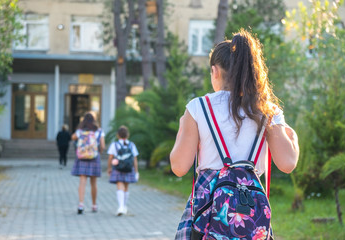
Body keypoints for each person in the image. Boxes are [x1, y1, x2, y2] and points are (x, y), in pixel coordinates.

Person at [170, 29, 299, 239]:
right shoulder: (267, 111)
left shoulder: (198, 108)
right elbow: (287, 163)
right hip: (248, 214)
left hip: (208, 211)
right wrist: (292, 138)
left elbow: (179, 167)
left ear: (215, 71)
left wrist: (182, 129)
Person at [71, 112, 105, 214]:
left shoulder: (80, 131)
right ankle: (94, 205)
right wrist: (98, 152)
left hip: (82, 157)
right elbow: (102, 146)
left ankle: (81, 204)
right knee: (93, 183)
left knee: (82, 182)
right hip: (94, 157)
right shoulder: (99, 131)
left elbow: (73, 138)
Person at [107, 126, 139, 216]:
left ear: (118, 135)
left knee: (119, 185)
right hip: (129, 168)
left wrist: (109, 168)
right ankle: (124, 206)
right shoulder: (132, 145)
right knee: (126, 187)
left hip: (118, 168)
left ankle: (120, 206)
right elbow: (135, 159)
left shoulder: (115, 145)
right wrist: (136, 171)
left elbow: (110, 157)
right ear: (127, 135)